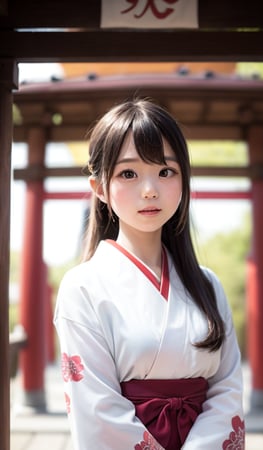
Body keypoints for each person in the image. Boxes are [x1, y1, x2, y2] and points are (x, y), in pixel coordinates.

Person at [54, 98, 245, 450]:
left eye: (165, 171)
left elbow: (227, 389)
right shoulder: (82, 287)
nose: (150, 190)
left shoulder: (206, 284)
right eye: (129, 173)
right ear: (99, 188)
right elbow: (95, 407)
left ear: (183, 179)